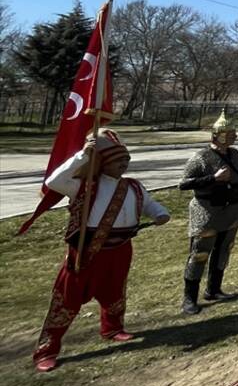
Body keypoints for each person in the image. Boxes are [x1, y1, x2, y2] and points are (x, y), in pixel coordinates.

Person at [33, 131, 170, 372]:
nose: (123, 165)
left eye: (125, 161)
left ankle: (113, 328)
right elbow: (54, 181)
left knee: (115, 290)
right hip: (88, 250)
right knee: (67, 297)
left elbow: (148, 203)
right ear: (105, 162)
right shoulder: (84, 186)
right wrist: (82, 155)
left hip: (120, 248)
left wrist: (159, 213)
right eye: (118, 162)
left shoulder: (133, 186)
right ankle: (47, 348)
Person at [180, 112, 238, 315]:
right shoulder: (201, 157)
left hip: (232, 210)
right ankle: (189, 298)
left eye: (234, 133)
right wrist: (213, 178)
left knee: (224, 250)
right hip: (207, 211)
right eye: (230, 133)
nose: (234, 137)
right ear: (217, 134)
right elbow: (184, 183)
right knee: (200, 254)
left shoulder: (235, 155)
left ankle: (214, 289)